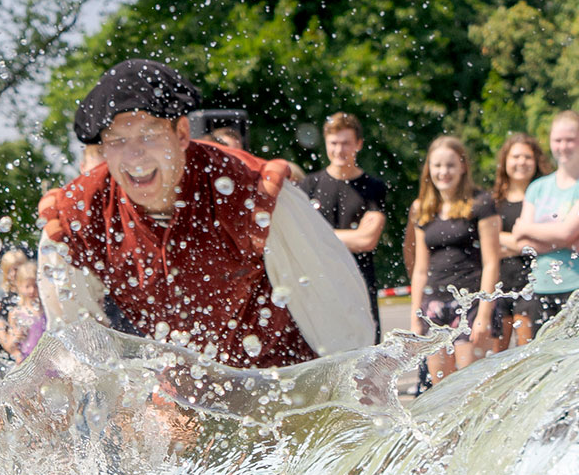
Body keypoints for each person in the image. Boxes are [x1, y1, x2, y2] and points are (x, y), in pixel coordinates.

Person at [36, 60, 372, 366]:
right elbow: (75, 345)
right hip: (184, 389)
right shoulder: (77, 214)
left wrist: (353, 391)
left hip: (285, 381)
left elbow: (338, 307)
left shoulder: (254, 190)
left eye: (148, 135)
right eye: (118, 141)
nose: (134, 156)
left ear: (181, 134)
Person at [508, 110, 579, 346]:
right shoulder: (537, 187)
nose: (563, 147)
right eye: (557, 140)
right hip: (540, 288)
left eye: (570, 140)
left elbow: (558, 231)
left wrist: (528, 227)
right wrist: (571, 239)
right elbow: (522, 243)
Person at [407, 136, 501, 382]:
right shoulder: (422, 208)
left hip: (470, 302)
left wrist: (483, 313)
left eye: (450, 165)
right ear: (429, 169)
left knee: (471, 389)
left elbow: (492, 262)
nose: (443, 172)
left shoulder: (480, 203)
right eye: (437, 166)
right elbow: (420, 269)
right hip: (434, 305)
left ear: (462, 167)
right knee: (441, 389)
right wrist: (416, 316)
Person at [299, 113, 388, 342]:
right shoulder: (309, 185)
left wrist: (317, 233)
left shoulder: (373, 187)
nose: (339, 150)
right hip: (319, 282)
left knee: (365, 355)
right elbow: (302, 236)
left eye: (346, 143)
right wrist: (353, 235)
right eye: (334, 143)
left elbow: (367, 241)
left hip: (359, 283)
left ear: (358, 144)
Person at [480, 132, 545, 355]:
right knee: (496, 360)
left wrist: (500, 240)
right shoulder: (492, 202)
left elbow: (539, 242)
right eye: (515, 157)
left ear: (536, 162)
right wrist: (521, 241)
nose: (521, 162)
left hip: (532, 285)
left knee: (526, 355)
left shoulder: (544, 198)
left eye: (527, 157)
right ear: (505, 161)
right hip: (498, 285)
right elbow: (485, 243)